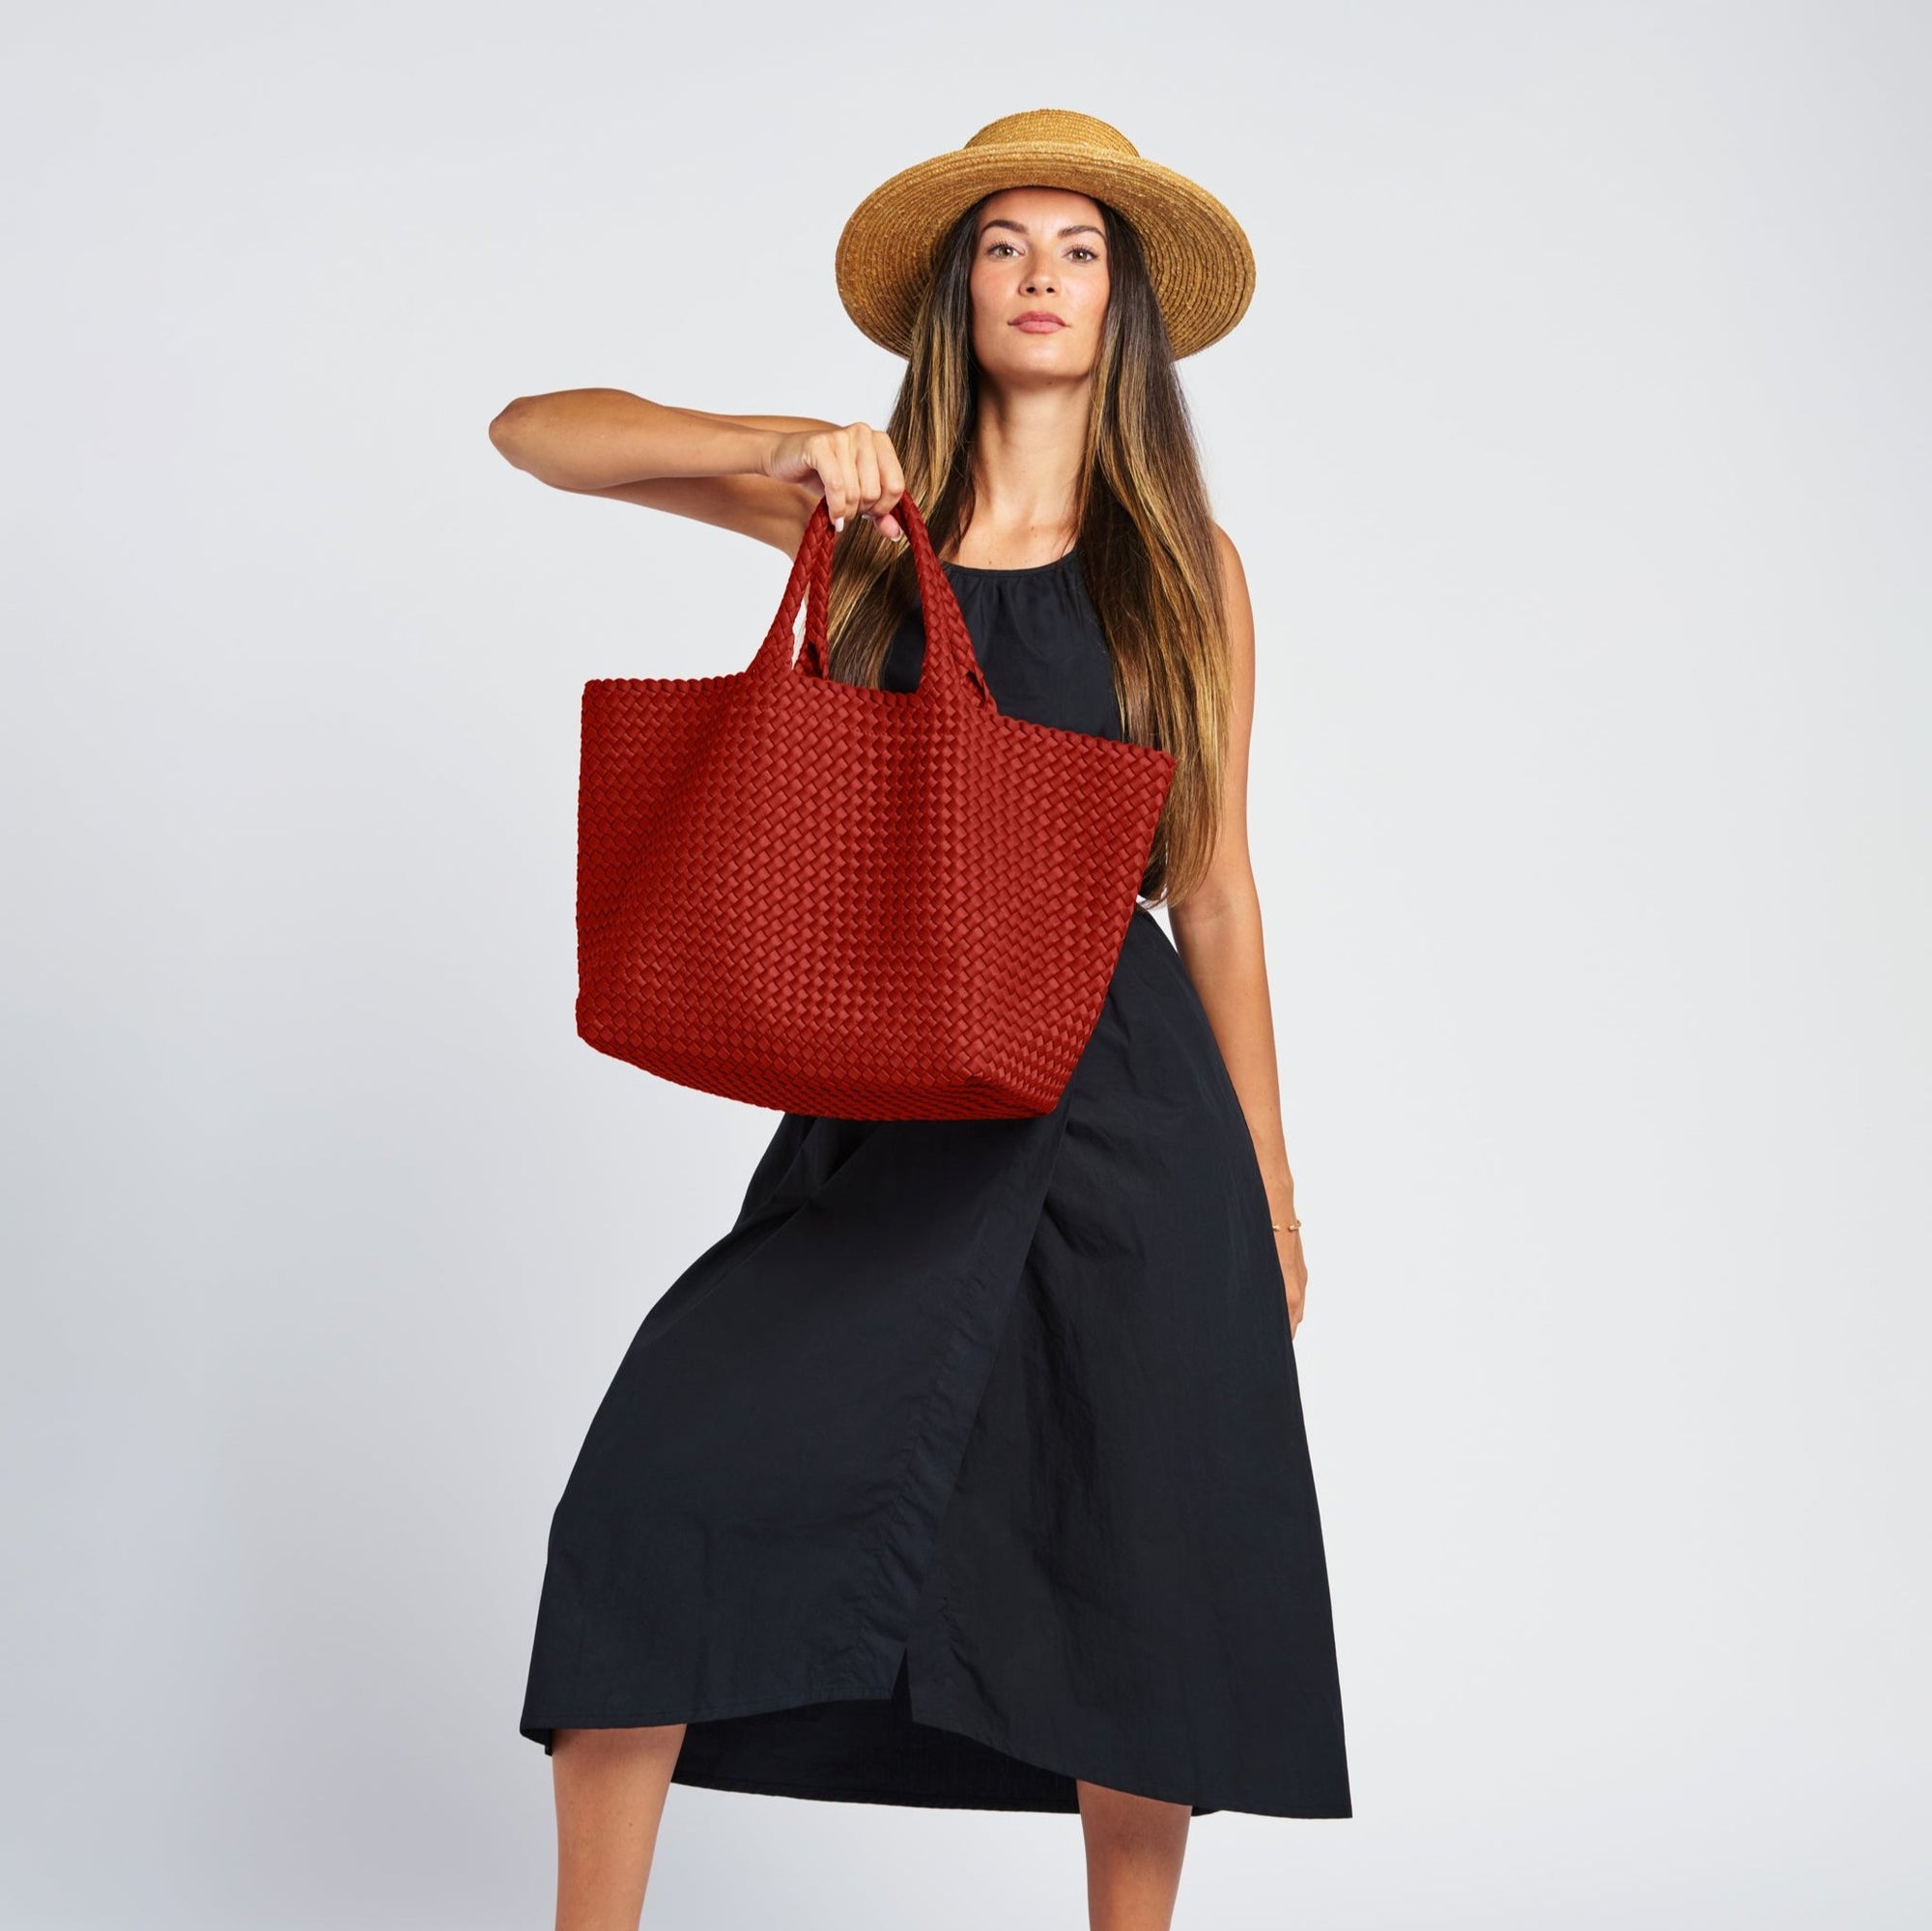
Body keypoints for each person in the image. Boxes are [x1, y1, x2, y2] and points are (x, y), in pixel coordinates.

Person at [488, 108, 1350, 1931]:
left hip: (1127, 1115)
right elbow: (533, 434)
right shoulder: (872, 520)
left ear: (1124, 310)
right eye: (1005, 246)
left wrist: (1269, 1184)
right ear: (958, 295)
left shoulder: (1186, 564)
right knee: (662, 1497)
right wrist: (778, 449)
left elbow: (1214, 887)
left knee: (1136, 1563)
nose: (1040, 276)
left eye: (1081, 250)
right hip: (896, 1095)